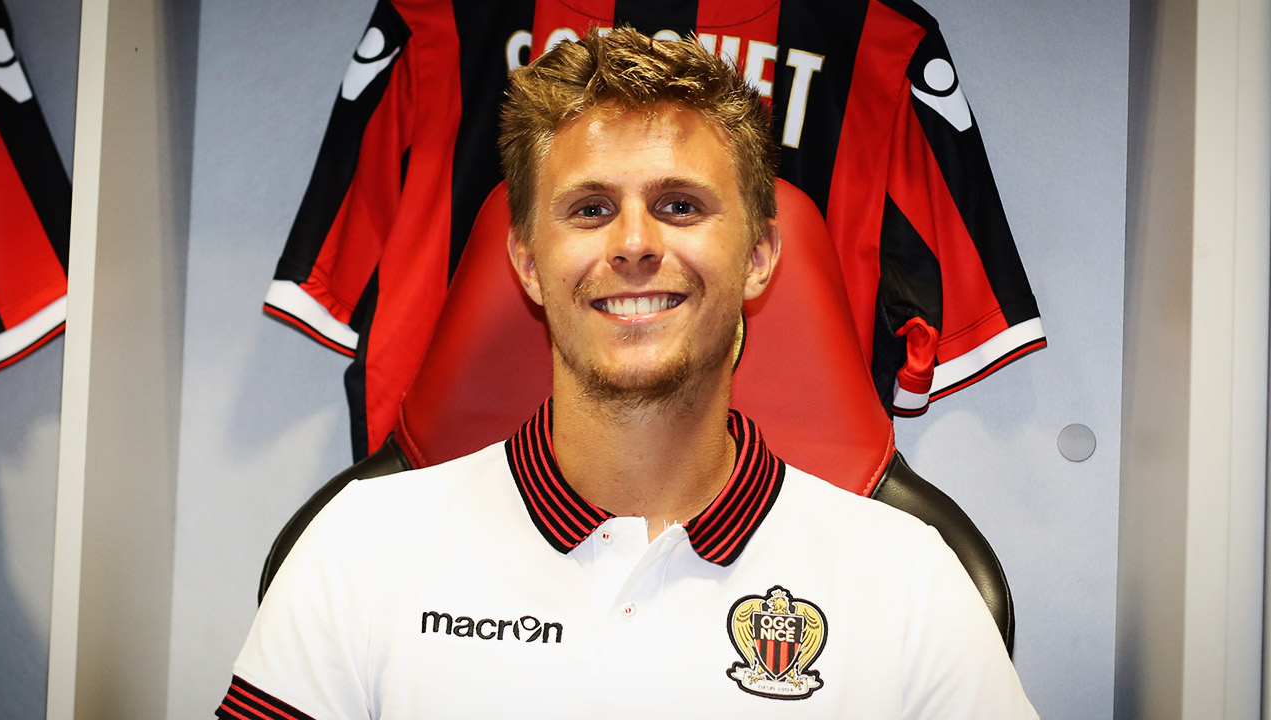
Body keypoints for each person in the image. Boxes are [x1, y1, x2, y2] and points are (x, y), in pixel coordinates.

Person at [217, 28, 1037, 720]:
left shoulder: (912, 581)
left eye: (680, 205)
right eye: (590, 209)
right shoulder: (359, 546)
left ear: (759, 256)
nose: (635, 244)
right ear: (527, 262)